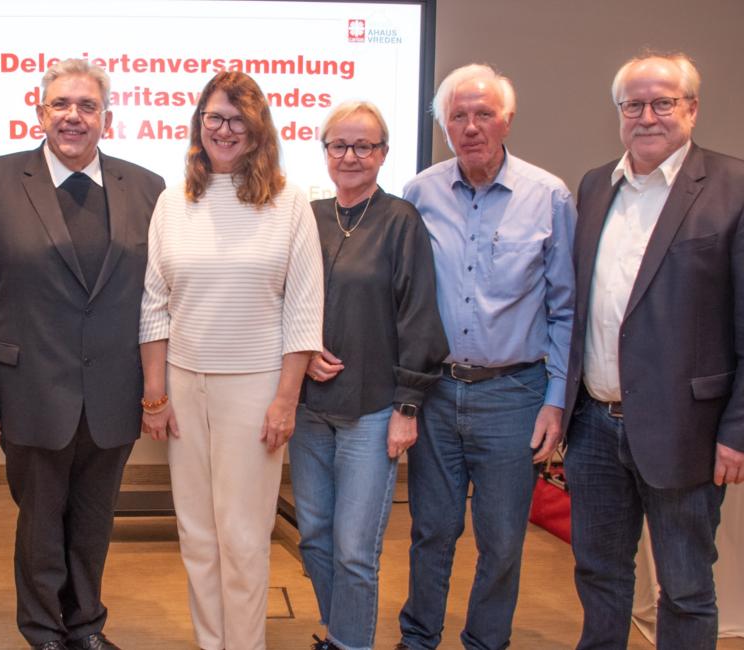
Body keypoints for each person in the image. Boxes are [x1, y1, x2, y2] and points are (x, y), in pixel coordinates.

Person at [563, 52, 744, 650]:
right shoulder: (595, 185)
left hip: (686, 430)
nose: (647, 116)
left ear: (691, 109)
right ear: (618, 112)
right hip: (593, 426)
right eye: (633, 104)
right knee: (598, 574)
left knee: (687, 588)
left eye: (663, 102)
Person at [0, 59, 164, 650]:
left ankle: (86, 625)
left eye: (87, 106)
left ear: (106, 117)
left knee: (94, 521)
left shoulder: (146, 187)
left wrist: (156, 390)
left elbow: (158, 298)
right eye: (61, 105)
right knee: (41, 522)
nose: (74, 116)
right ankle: (43, 629)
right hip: (28, 391)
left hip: (113, 394)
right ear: (40, 112)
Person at [139, 70, 324, 650]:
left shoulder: (290, 203)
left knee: (243, 539)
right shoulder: (173, 201)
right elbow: (154, 307)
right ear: (199, 124)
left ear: (258, 128)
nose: (224, 129)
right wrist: (156, 396)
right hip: (184, 386)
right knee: (196, 535)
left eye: (238, 119)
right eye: (214, 117)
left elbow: (303, 312)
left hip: (257, 390)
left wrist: (285, 402)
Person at [397, 63, 575, 650]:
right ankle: (419, 638)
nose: (471, 126)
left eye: (484, 113)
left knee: (501, 540)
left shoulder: (549, 196)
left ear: (507, 119)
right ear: (443, 125)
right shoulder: (419, 193)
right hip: (438, 392)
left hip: (514, 394)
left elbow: (565, 310)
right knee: (432, 531)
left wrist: (555, 403)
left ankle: (484, 643)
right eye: (458, 115)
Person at [292, 101, 447, 650]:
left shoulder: (401, 220)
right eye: (340, 145)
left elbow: (420, 316)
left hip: (374, 410)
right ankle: (343, 635)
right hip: (308, 409)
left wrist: (408, 408)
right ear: (326, 152)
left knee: (355, 548)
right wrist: (303, 351)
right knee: (312, 537)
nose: (351, 156)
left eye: (364, 146)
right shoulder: (307, 217)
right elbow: (285, 303)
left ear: (383, 154)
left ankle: (347, 643)